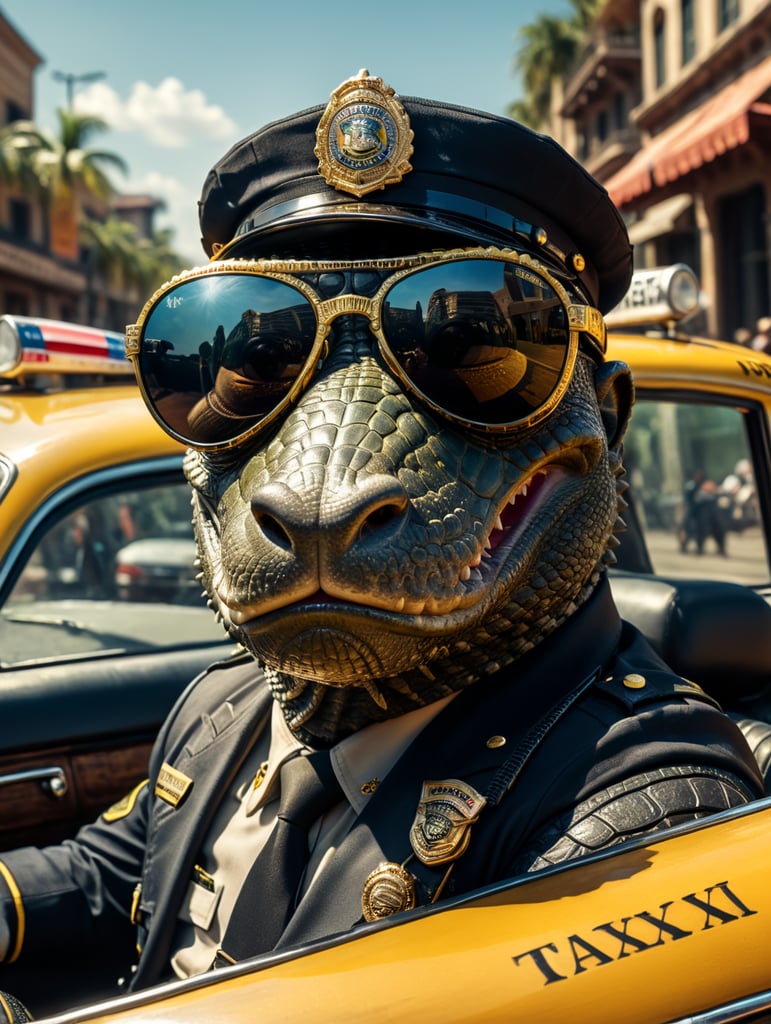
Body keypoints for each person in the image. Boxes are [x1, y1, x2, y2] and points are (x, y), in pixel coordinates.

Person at [0, 70, 763, 1010]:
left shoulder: (645, 798)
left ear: (601, 419)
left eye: (474, 341)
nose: (319, 495)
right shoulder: (229, 707)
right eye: (250, 355)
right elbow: (113, 872)